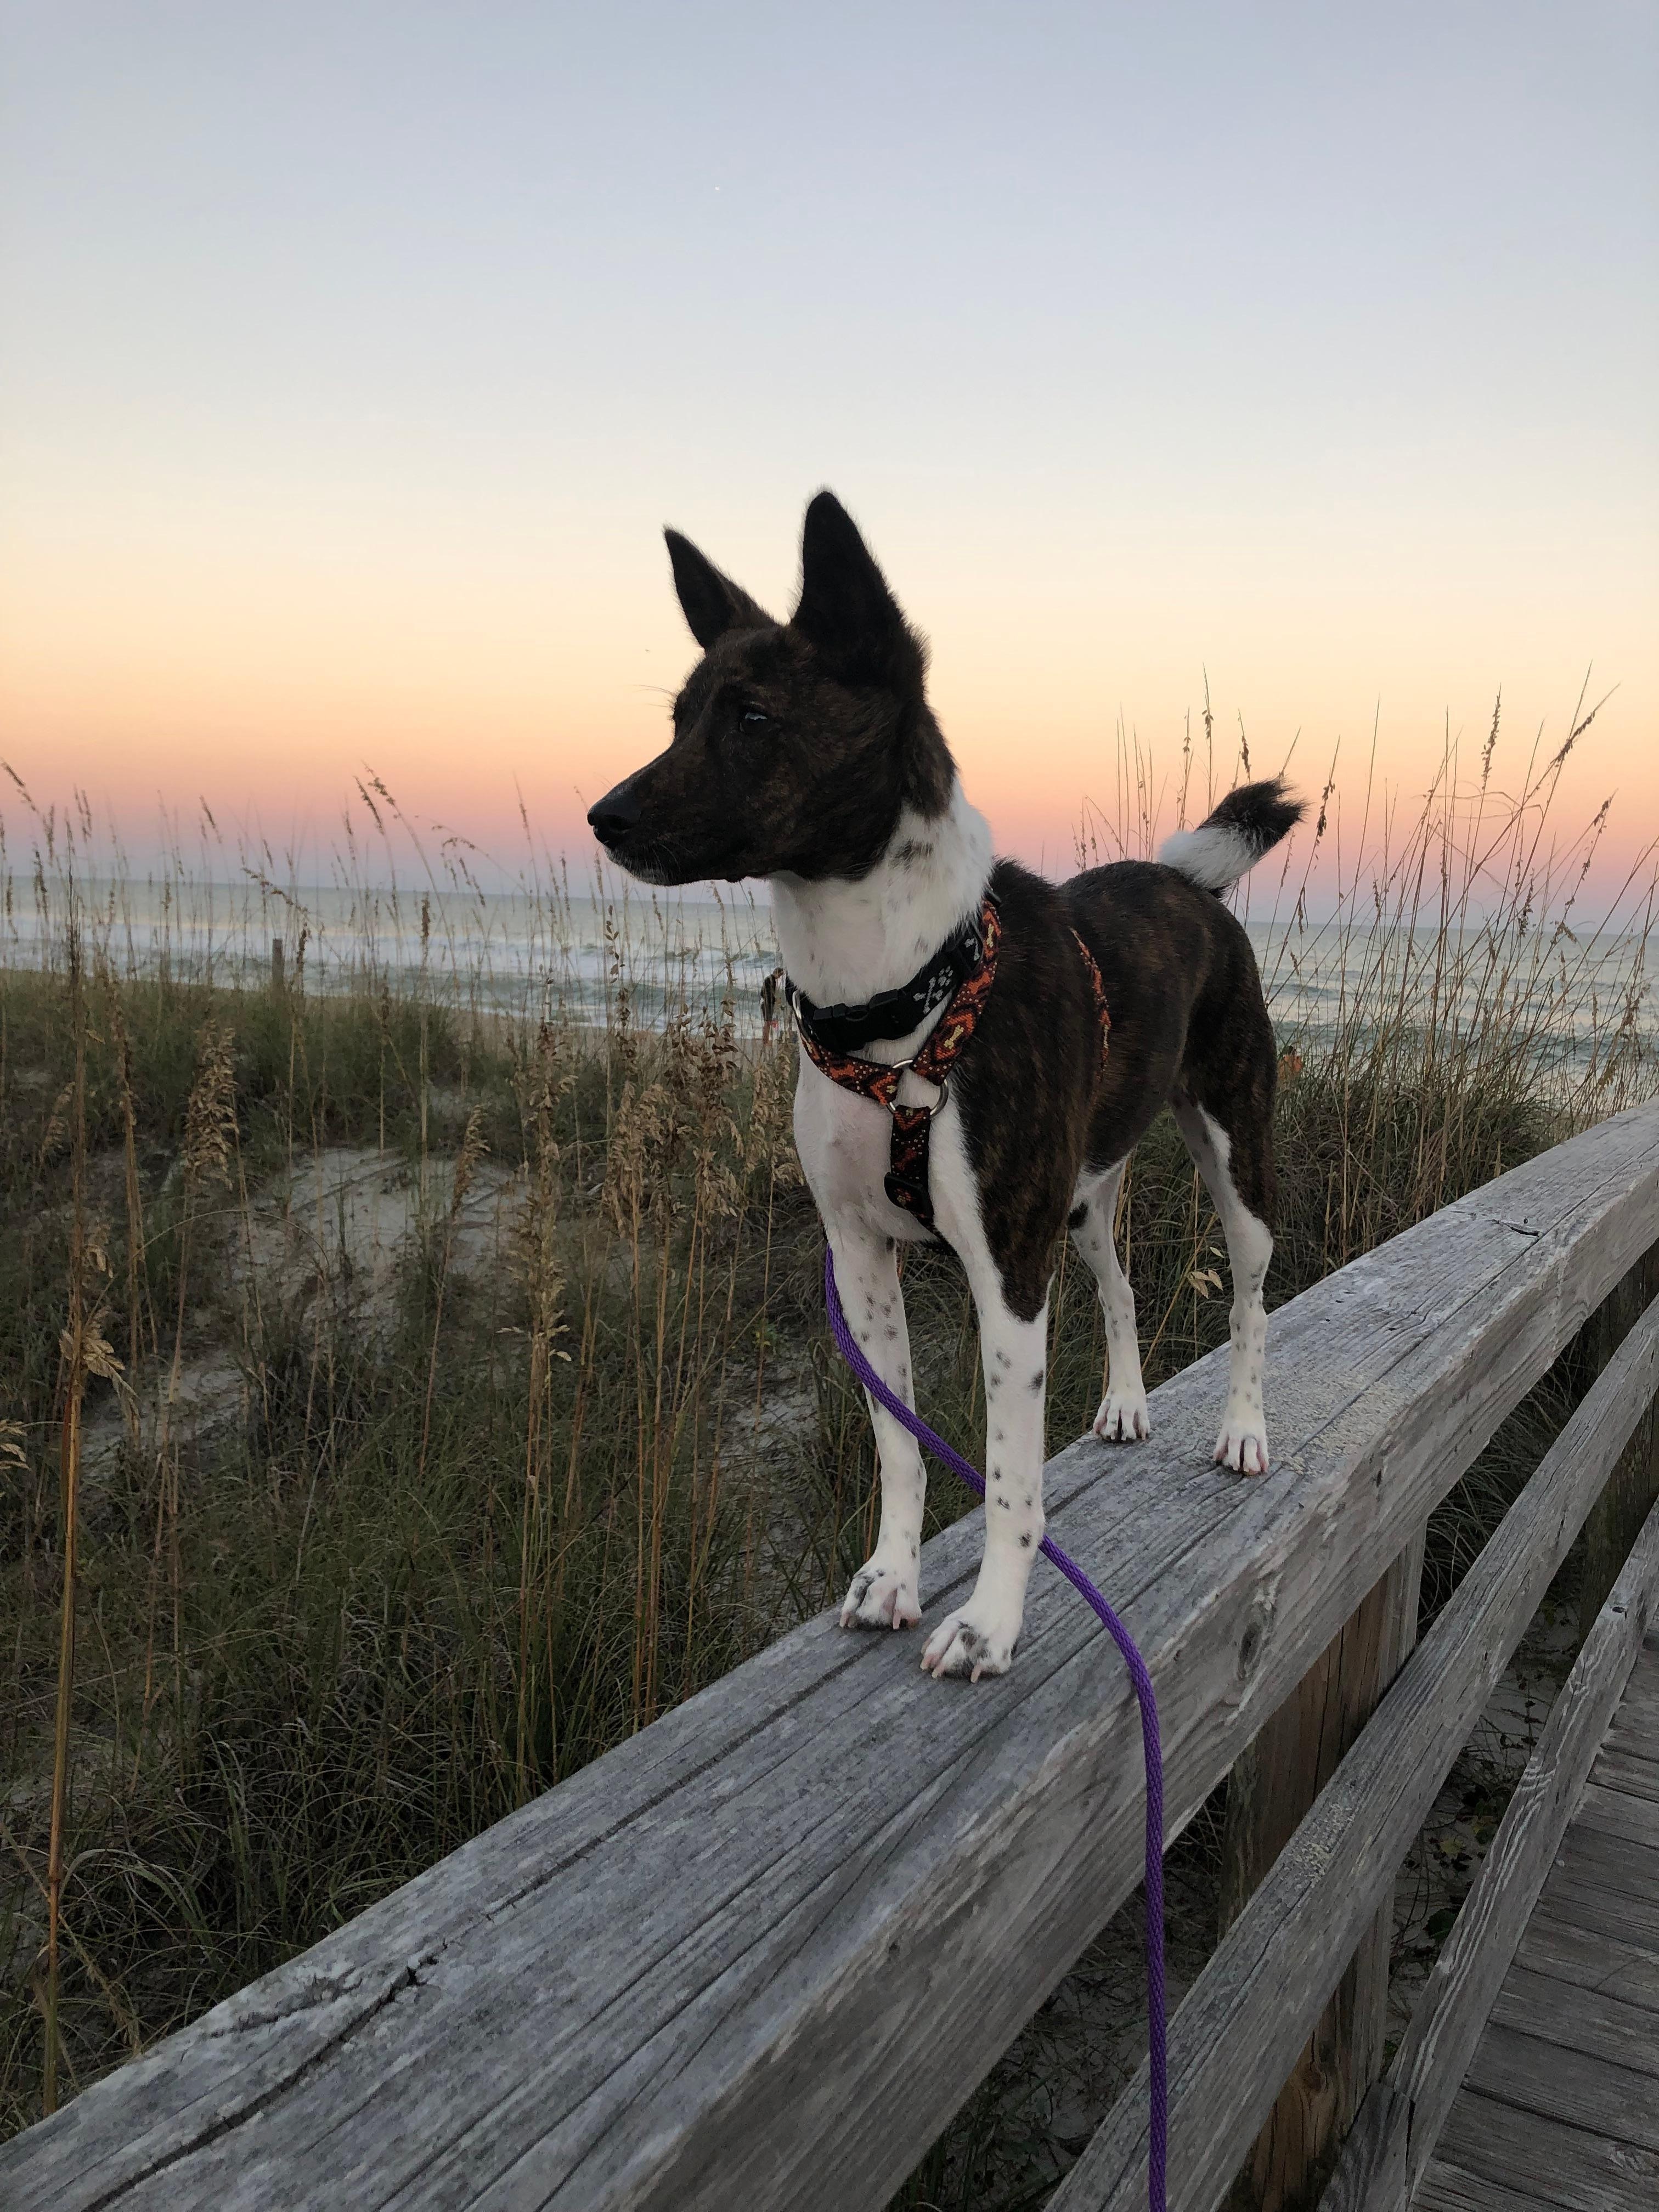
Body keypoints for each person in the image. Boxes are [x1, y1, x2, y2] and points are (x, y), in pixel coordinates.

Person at [760, 965, 783, 1048]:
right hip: (768, 1004)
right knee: (767, 1023)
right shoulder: (771, 980)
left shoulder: (768, 979)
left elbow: (763, 993)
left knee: (767, 1023)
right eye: (780, 975)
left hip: (766, 1004)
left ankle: (765, 1040)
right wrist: (775, 1000)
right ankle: (765, 1041)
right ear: (777, 973)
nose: (779, 977)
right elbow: (769, 994)